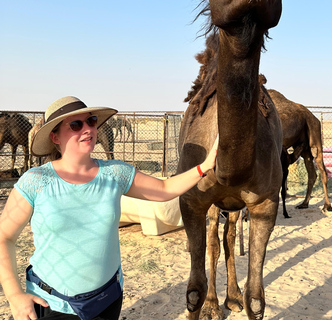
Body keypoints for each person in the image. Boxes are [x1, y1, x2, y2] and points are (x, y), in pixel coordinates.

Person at [0, 96, 218, 320]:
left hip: (106, 300)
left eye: (91, 121)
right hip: (52, 304)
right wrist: (14, 295)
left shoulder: (114, 173)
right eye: (76, 125)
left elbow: (163, 189)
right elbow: (4, 237)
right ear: (55, 136)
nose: (87, 129)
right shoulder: (36, 181)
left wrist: (205, 166)